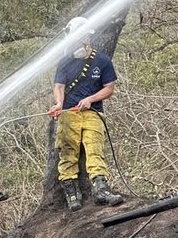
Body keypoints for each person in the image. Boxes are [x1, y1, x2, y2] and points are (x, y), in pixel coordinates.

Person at [47, 17, 123, 211]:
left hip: (93, 112)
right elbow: (59, 86)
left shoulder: (102, 60)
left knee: (95, 149)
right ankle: (72, 194)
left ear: (87, 38)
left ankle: (101, 190)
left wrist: (91, 99)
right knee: (68, 152)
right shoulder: (65, 61)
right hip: (69, 113)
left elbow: (109, 88)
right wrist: (59, 104)